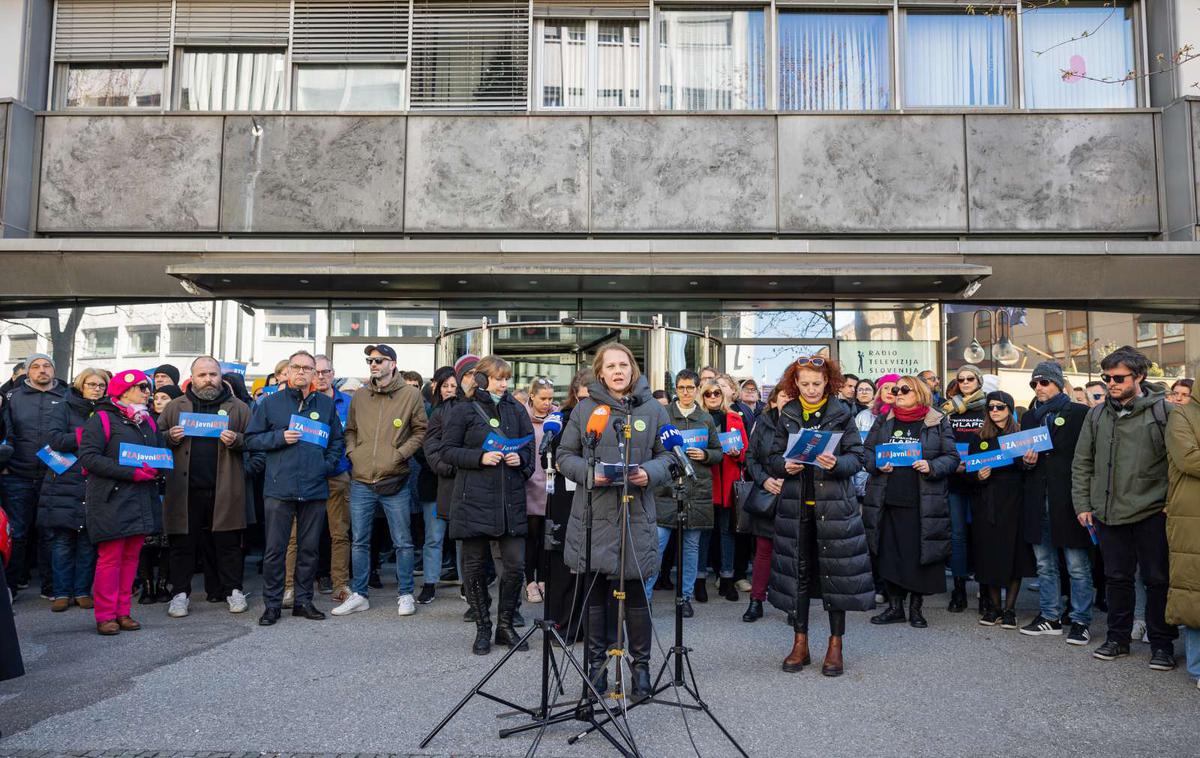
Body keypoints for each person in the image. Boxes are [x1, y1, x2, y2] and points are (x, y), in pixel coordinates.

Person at [559, 344, 671, 701]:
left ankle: (640, 669)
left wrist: (649, 473)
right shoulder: (586, 408)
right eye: (611, 366)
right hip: (594, 514)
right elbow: (564, 455)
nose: (618, 371)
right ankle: (596, 668)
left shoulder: (653, 409)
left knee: (636, 594)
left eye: (624, 364)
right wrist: (591, 473)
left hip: (636, 513)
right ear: (600, 372)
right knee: (594, 595)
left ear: (632, 369)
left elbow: (669, 455)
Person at [1072, 346, 1177, 669]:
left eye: (1118, 378)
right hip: (1107, 511)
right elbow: (1082, 462)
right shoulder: (1097, 413)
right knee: (1116, 578)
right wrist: (1083, 503)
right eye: (1107, 378)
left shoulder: (1163, 412)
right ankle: (1117, 638)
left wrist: (1169, 504)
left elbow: (1177, 463)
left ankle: (1162, 645)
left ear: (1140, 376)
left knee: (1157, 579)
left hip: (1152, 511)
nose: (1111, 384)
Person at [768, 356, 872, 677]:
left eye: (817, 383)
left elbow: (858, 456)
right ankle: (800, 643)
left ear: (828, 382)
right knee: (798, 576)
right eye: (805, 383)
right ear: (794, 384)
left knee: (835, 577)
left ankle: (835, 645)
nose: (811, 389)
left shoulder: (842, 413)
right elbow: (770, 456)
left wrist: (836, 464)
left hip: (835, 510)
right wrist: (784, 466)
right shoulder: (786, 413)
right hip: (796, 508)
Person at [441, 356, 535, 655]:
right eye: (498, 379)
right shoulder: (463, 410)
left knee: (515, 565)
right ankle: (483, 627)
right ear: (482, 380)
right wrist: (479, 458)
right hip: (474, 500)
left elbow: (530, 452)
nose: (504, 384)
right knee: (474, 568)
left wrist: (520, 460)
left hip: (510, 502)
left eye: (507, 378)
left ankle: (505, 625)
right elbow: (447, 451)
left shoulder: (516, 409)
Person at [245, 350, 346, 627]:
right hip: (279, 487)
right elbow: (251, 439)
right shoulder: (270, 403)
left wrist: (325, 466)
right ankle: (273, 605)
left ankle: (303, 601)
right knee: (275, 550)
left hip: (314, 486)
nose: (301, 372)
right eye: (296, 367)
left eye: (308, 368)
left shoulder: (325, 406)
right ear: (287, 372)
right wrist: (279, 437)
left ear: (316, 374)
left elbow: (337, 440)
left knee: (309, 549)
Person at [332, 344, 428, 618]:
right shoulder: (361, 396)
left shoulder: (410, 395)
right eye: (370, 360)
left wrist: (399, 455)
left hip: (394, 479)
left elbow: (421, 431)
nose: (373, 364)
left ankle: (406, 593)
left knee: (403, 542)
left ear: (392, 364)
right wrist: (354, 453)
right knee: (360, 540)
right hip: (361, 478)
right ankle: (360, 594)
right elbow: (349, 430)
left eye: (379, 360)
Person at [159, 357, 252, 618]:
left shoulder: (239, 407)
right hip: (184, 487)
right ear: (192, 377)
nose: (208, 379)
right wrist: (169, 437)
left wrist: (238, 440)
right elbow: (155, 439)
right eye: (202, 375)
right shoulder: (175, 406)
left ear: (221, 376)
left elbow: (255, 441)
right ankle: (180, 593)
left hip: (225, 486)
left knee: (228, 542)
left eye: (213, 374)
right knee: (183, 542)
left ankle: (233, 590)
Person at [863, 375, 958, 629]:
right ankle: (895, 608)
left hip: (922, 501)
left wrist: (931, 465)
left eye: (905, 389)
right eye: (896, 389)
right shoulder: (884, 419)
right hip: (888, 498)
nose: (898, 393)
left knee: (918, 556)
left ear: (920, 393)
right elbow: (866, 452)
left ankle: (916, 609)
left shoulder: (937, 420)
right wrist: (876, 464)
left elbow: (951, 457)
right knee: (890, 555)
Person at [77, 370, 164, 635]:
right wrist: (132, 473)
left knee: (130, 559)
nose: (147, 392)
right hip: (111, 498)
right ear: (123, 391)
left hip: (141, 498)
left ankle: (123, 612)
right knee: (111, 559)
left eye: (148, 387)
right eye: (141, 387)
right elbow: (89, 458)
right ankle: (105, 615)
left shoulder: (147, 422)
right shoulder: (101, 419)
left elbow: (158, 454)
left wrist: (159, 467)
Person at [1018, 361, 1095, 644]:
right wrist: (1026, 463)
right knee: (1044, 564)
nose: (1038, 387)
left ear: (1059, 384)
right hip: (1037, 500)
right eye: (1034, 383)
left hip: (1069, 499)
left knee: (1077, 564)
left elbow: (1089, 457)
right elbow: (1019, 460)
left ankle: (1080, 620)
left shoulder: (1079, 413)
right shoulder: (1029, 418)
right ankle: (1049, 616)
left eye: (1044, 382)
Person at [647, 369, 721, 616]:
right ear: (675, 389)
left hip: (696, 487)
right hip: (667, 488)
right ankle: (645, 597)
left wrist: (707, 455)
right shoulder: (665, 414)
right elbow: (652, 448)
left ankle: (685, 598)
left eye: (691, 388)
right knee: (656, 545)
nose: (686, 392)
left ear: (698, 389)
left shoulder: (705, 418)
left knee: (691, 548)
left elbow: (718, 451)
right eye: (682, 388)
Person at [284, 355, 352, 603]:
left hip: (336, 474)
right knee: (295, 535)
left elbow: (349, 438)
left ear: (333, 374)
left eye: (326, 372)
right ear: (311, 375)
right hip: (303, 478)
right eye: (318, 372)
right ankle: (290, 587)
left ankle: (340, 584)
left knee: (340, 533)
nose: (322, 376)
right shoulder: (300, 402)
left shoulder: (349, 403)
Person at [1, 352, 69, 597]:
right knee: (17, 533)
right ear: (27, 372)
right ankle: (11, 586)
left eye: (47, 365)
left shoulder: (67, 395)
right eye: (36, 366)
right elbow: (5, 433)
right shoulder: (12, 397)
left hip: (54, 475)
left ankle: (50, 587)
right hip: (17, 474)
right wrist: (4, 465)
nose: (42, 370)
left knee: (50, 532)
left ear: (54, 370)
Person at [39, 368, 106, 612]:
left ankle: (81, 591)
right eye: (92, 384)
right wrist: (89, 435)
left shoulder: (108, 411)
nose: (97, 389)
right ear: (81, 385)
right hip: (64, 481)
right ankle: (61, 592)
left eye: (101, 385)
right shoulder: (63, 407)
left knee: (89, 541)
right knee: (62, 541)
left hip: (95, 480)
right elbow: (55, 440)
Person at [968, 391, 1036, 629]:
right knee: (989, 556)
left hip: (1015, 503)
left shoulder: (1020, 436)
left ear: (1010, 408)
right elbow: (970, 473)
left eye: (1000, 407)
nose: (995, 411)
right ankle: (994, 608)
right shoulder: (979, 437)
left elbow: (1028, 470)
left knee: (1014, 557)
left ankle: (1010, 610)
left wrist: (1028, 462)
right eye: (991, 407)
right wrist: (979, 476)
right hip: (987, 505)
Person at [541, 368, 591, 641]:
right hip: (564, 499)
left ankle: (587, 625)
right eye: (580, 398)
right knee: (563, 565)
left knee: (590, 567)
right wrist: (557, 464)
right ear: (573, 395)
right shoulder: (559, 420)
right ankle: (562, 625)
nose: (585, 403)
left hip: (595, 499)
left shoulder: (606, 419)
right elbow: (544, 460)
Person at [741, 385, 790, 622]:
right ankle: (756, 600)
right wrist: (766, 480)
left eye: (792, 396)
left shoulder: (806, 423)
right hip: (767, 492)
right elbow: (750, 457)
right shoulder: (763, 422)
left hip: (794, 493)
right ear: (774, 400)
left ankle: (793, 604)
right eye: (783, 396)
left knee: (793, 553)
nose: (787, 399)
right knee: (763, 551)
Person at [941, 364, 987, 613]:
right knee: (957, 536)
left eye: (970, 378)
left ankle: (986, 588)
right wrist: (951, 462)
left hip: (982, 477)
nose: (966, 382)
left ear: (979, 382)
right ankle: (958, 589)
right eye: (961, 379)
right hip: (956, 479)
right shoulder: (948, 410)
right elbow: (941, 441)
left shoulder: (990, 406)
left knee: (981, 534)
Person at [699, 376, 748, 602]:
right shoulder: (699, 419)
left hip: (727, 485)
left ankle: (727, 580)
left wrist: (739, 454)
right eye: (708, 393)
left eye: (716, 393)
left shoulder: (734, 418)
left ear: (723, 395)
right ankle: (699, 581)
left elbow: (745, 451)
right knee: (704, 534)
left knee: (727, 534)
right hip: (705, 484)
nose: (712, 397)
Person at [1164, 387, 1200, 689]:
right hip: (1192, 514)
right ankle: (1199, 668)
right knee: (1194, 588)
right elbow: (1190, 460)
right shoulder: (1183, 415)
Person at [413, 366, 453, 605]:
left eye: (453, 386)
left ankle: (468, 586)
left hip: (458, 481)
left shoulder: (466, 411)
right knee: (434, 536)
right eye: (445, 385)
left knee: (461, 538)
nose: (449, 390)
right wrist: (437, 465)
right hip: (433, 481)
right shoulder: (426, 412)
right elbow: (419, 447)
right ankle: (429, 583)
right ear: (435, 386)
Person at [523, 377, 557, 605]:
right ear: (532, 396)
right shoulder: (522, 417)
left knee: (549, 536)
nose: (547, 403)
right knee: (531, 537)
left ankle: (544, 579)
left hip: (551, 483)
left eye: (550, 398)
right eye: (543, 398)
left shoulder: (557, 418)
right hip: (529, 483)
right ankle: (530, 582)